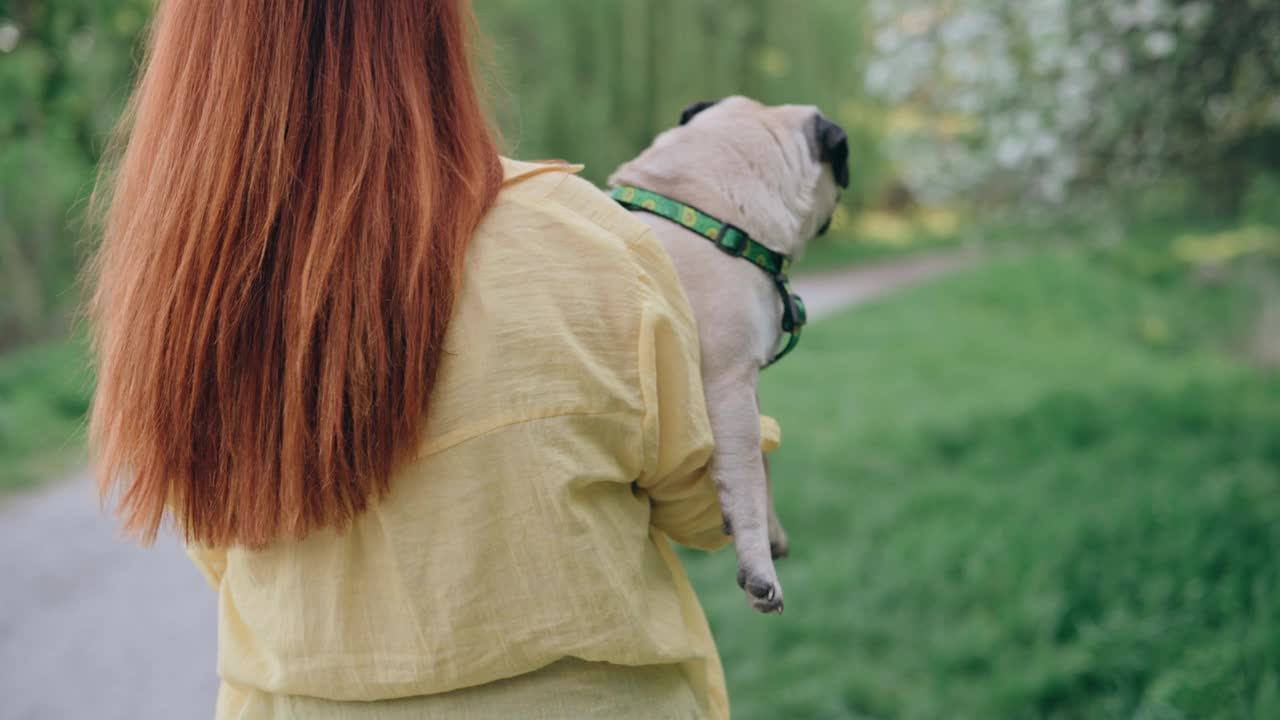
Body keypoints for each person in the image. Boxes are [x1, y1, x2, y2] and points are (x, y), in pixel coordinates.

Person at [89, 2, 780, 718]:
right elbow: (710, 509)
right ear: (426, 33)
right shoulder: (583, 245)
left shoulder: (179, 295)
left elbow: (223, 540)